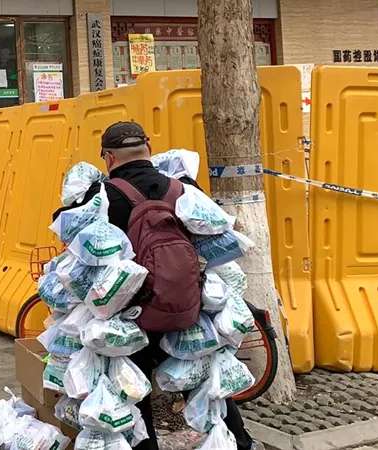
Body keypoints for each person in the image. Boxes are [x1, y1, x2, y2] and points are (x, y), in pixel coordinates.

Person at [56, 121, 257, 450]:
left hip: (131, 313)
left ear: (108, 157)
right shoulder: (182, 188)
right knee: (205, 377)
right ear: (148, 148)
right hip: (188, 304)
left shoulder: (103, 195)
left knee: (130, 388)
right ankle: (240, 442)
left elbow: (68, 228)